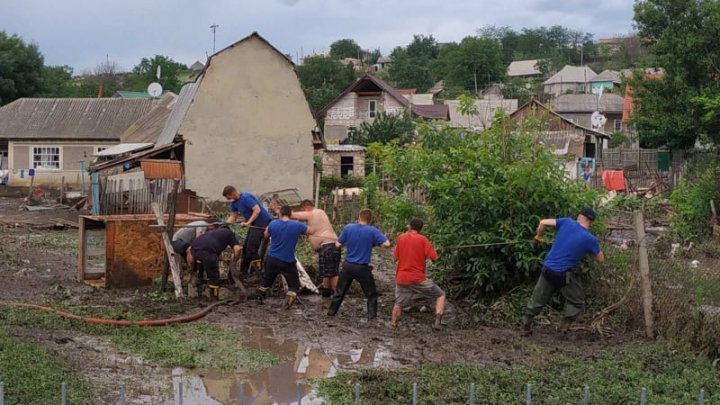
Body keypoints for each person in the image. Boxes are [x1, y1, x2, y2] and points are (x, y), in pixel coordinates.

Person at [522, 207, 605, 336]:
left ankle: (526, 325)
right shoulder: (590, 239)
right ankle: (562, 328)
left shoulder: (566, 222)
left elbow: (543, 222)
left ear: (579, 217)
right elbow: (600, 258)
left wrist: (539, 236)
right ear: (591, 223)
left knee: (537, 299)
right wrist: (587, 250)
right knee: (576, 301)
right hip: (563, 275)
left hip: (547, 269)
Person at [327, 208, 391, 320]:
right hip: (362, 268)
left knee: (339, 291)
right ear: (370, 219)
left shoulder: (348, 228)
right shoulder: (372, 231)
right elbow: (387, 244)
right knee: (371, 294)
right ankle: (372, 317)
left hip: (348, 266)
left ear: (359, 217)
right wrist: (375, 243)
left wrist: (347, 241)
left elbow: (337, 245)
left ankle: (331, 312)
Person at [391, 218, 445, 330]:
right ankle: (437, 322)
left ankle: (393, 324)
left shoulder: (401, 238)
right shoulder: (423, 240)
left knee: (398, 303)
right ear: (421, 229)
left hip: (402, 278)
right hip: (418, 278)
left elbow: (395, 258)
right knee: (441, 295)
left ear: (410, 227)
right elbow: (435, 258)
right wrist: (437, 251)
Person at [257, 205, 314, 307]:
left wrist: (267, 229)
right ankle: (290, 297)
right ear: (290, 214)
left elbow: (265, 235)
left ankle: (260, 295)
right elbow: (311, 231)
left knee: (267, 279)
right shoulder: (297, 225)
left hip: (272, 259)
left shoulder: (273, 224)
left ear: (280, 214)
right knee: (293, 284)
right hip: (287, 261)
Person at [280, 199, 339, 298]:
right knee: (326, 272)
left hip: (328, 246)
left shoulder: (313, 213)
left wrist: (279, 212)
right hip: (330, 246)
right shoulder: (320, 213)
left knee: (332, 273)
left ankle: (338, 296)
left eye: (303, 210)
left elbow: (292, 215)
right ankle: (326, 294)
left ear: (306, 207)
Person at [222, 186, 272, 276]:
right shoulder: (234, 203)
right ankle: (244, 272)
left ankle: (257, 272)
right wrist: (224, 225)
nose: (229, 200)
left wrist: (248, 222)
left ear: (232, 193)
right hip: (253, 224)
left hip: (262, 222)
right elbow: (233, 216)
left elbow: (257, 210)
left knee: (252, 249)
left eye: (229, 197)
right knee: (245, 249)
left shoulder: (246, 197)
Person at [187, 226, 242, 300]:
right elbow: (237, 249)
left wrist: (191, 269)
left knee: (203, 262)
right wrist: (234, 262)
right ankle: (214, 298)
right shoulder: (229, 233)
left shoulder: (212, 234)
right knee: (214, 276)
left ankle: (199, 283)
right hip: (208, 253)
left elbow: (211, 249)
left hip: (194, 249)